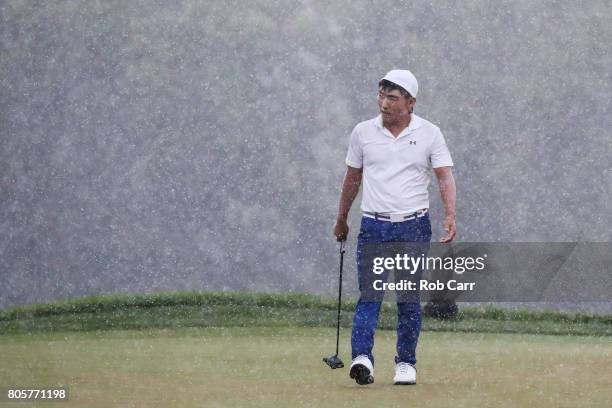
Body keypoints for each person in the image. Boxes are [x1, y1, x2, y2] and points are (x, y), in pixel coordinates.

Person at [333, 69, 456, 385]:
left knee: (408, 297)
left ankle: (406, 362)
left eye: (392, 97)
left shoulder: (430, 133)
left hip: (413, 228)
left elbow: (444, 176)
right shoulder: (363, 132)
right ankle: (362, 359)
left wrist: (450, 216)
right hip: (374, 225)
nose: (383, 103)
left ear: (410, 102)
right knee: (370, 296)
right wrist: (342, 218)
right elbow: (352, 179)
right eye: (381, 95)